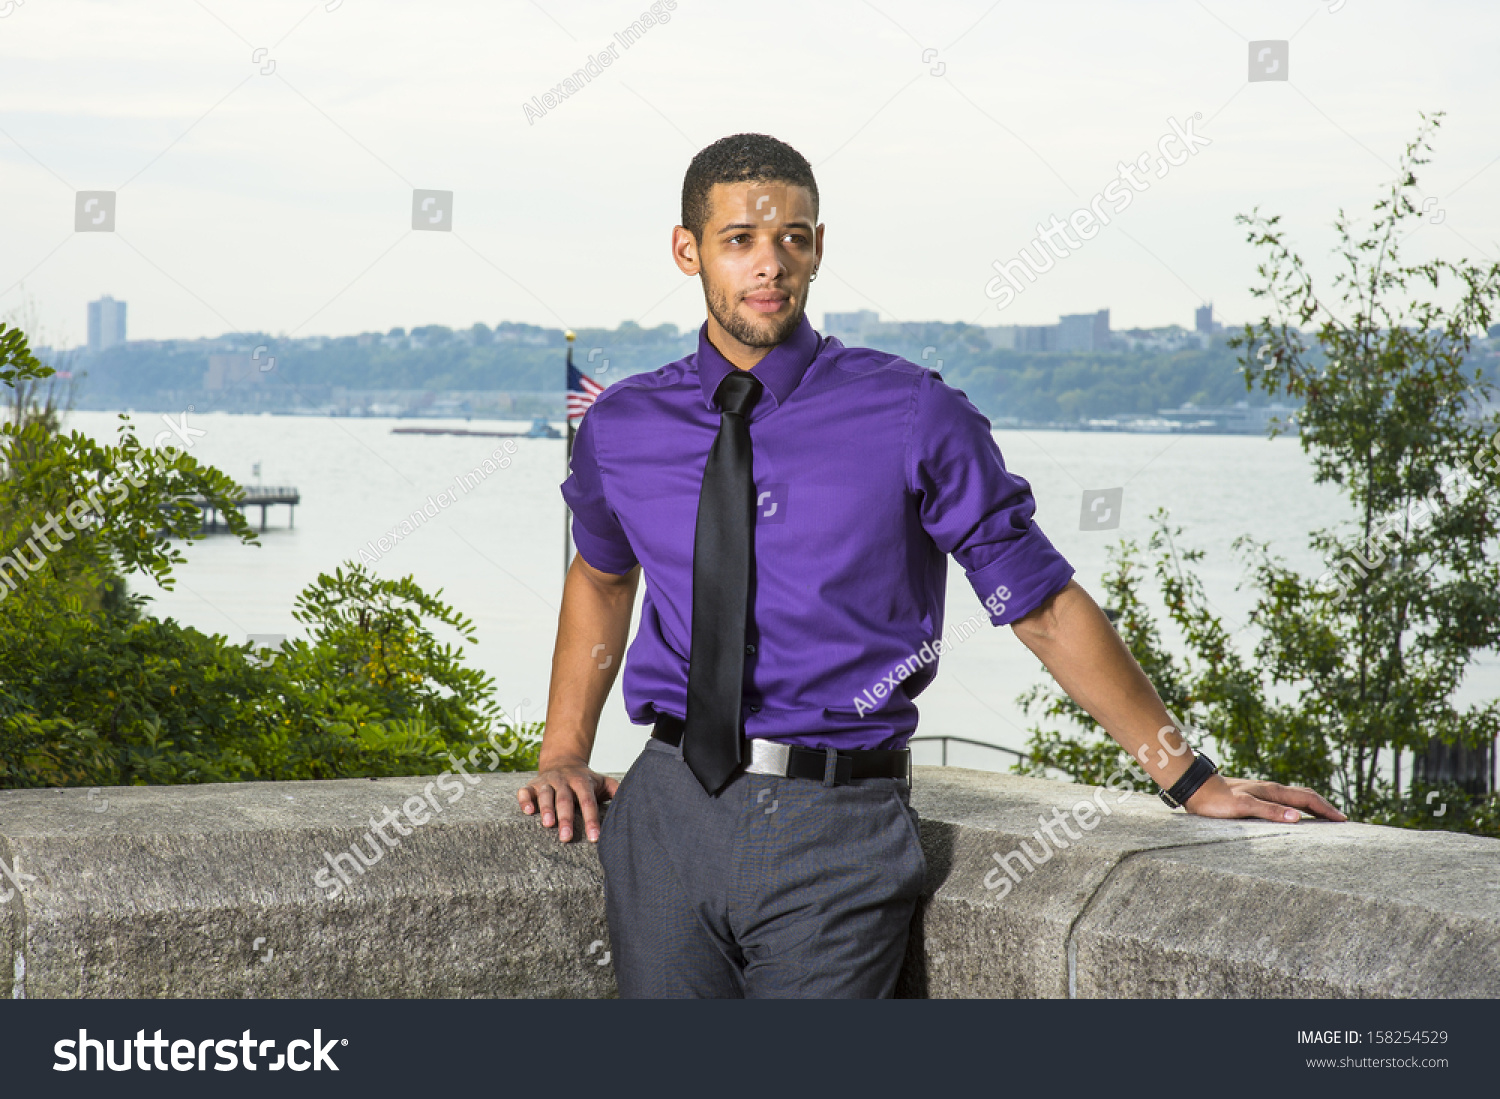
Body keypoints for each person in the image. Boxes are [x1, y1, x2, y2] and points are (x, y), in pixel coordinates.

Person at [517, 132, 1345, 999]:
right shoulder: (625, 426)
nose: (771, 265)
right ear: (688, 250)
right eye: (741, 241)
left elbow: (1043, 604)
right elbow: (603, 577)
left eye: (793, 238)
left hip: (833, 828)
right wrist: (565, 748)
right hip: (663, 813)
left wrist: (1189, 774)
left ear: (819, 247)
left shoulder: (913, 412)